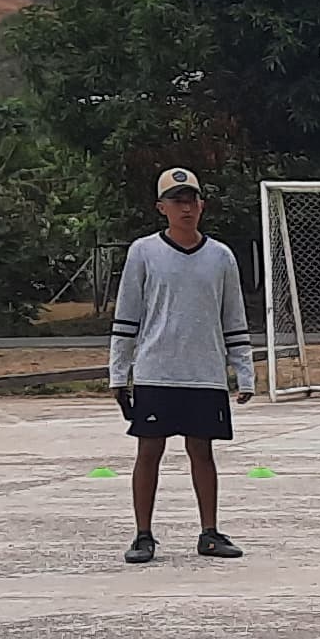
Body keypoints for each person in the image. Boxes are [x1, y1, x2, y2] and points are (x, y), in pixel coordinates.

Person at [109, 167, 252, 564]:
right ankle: (143, 535)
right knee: (149, 451)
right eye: (177, 201)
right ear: (162, 208)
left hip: (205, 373)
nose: (186, 209)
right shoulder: (143, 252)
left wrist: (244, 371)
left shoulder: (220, 256)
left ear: (202, 205)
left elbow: (233, 316)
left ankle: (210, 532)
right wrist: (119, 373)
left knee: (202, 452)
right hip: (156, 370)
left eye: (192, 201)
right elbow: (127, 316)